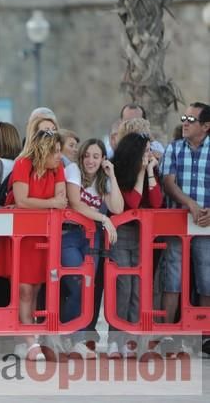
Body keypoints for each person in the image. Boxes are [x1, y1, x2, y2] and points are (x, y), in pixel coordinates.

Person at [0, 129, 66, 361]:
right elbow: (22, 200)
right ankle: (30, 341)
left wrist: (45, 203)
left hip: (42, 235)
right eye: (55, 150)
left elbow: (62, 201)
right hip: (21, 235)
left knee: (35, 288)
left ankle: (26, 335)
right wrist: (50, 202)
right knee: (23, 289)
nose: (60, 155)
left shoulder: (58, 168)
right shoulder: (23, 164)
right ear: (43, 150)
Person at [63, 138, 124, 359]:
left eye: (96, 156)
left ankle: (76, 338)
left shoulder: (103, 179)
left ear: (102, 160)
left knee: (88, 286)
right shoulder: (73, 170)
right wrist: (104, 219)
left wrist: (112, 175)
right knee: (77, 282)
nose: (90, 160)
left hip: (93, 238)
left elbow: (117, 207)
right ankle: (68, 332)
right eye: (87, 155)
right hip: (69, 234)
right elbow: (76, 203)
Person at [107, 132, 163, 358]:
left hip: (144, 235)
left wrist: (149, 171)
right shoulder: (118, 170)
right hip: (122, 233)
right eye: (146, 149)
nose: (149, 154)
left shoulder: (150, 169)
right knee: (124, 287)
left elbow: (157, 202)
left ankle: (131, 340)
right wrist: (140, 172)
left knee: (139, 289)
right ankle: (115, 339)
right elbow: (131, 202)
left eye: (150, 150)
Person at [161, 103, 210, 351]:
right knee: (173, 276)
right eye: (184, 118)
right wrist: (190, 203)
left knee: (206, 278)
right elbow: (168, 183)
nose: (185, 122)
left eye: (192, 118)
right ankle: (168, 333)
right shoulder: (174, 148)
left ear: (206, 126)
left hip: (206, 226)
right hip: (176, 221)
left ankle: (204, 335)